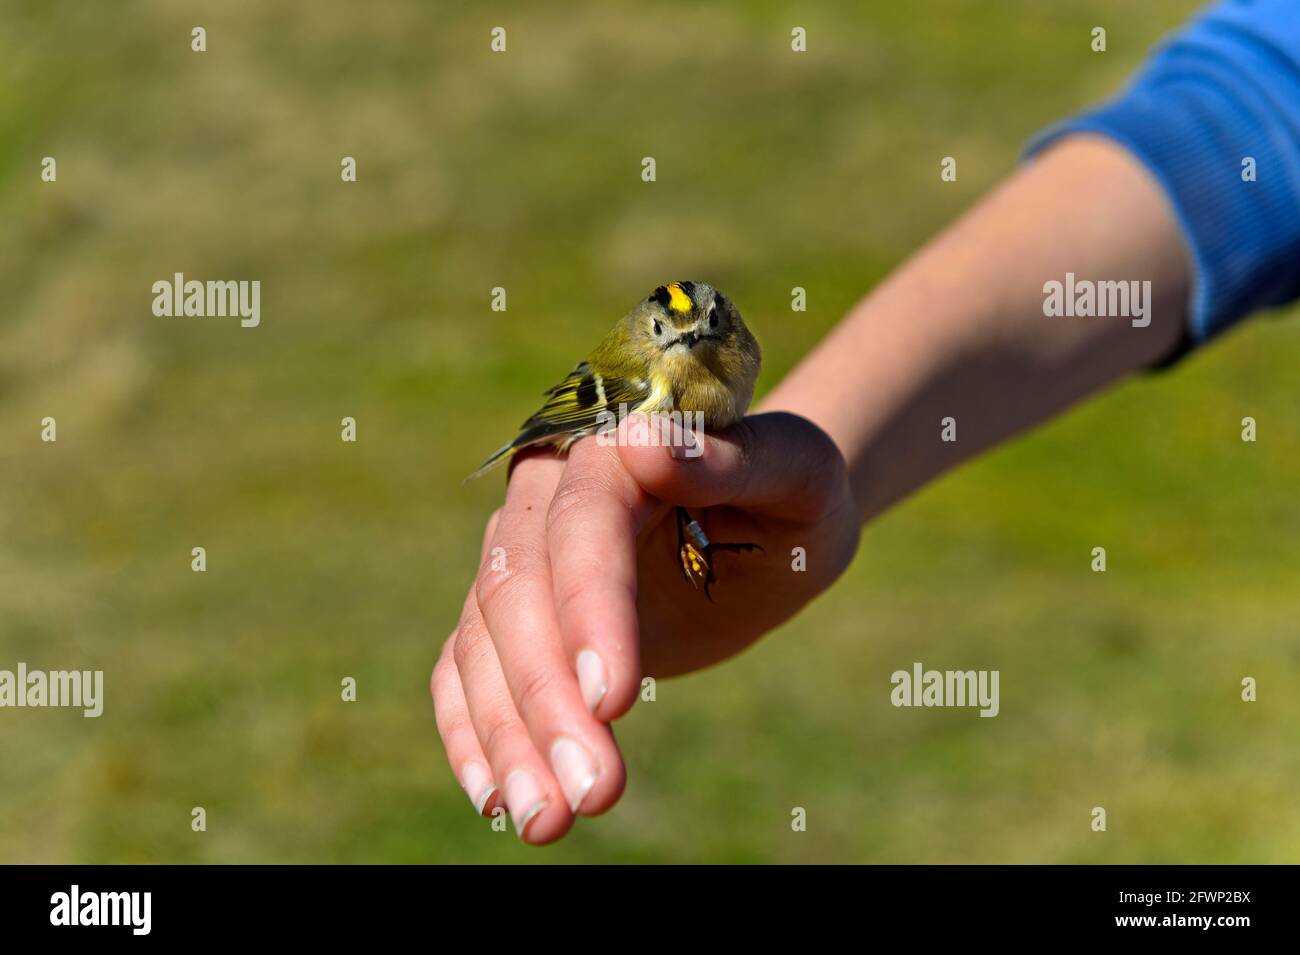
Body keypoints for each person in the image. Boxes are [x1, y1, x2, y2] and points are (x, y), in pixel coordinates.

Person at [431, 0, 1300, 844]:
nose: (694, 349)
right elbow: (1258, 103)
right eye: (675, 336)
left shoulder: (727, 349)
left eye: (710, 331)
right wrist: (801, 482)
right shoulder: (642, 375)